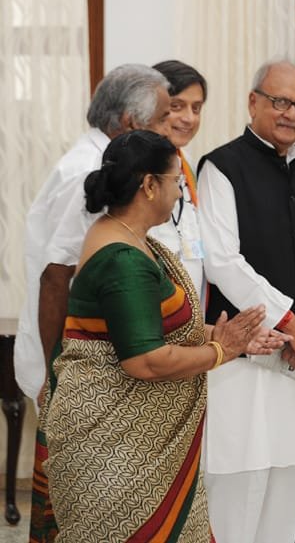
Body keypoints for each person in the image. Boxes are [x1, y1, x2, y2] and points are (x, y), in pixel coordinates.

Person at [40, 129, 281, 542]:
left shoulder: (132, 240)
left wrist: (233, 341)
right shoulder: (122, 259)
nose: (181, 192)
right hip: (116, 455)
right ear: (149, 185)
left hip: (136, 451)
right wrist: (221, 350)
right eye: (176, 182)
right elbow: (145, 360)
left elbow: (155, 328)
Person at [15, 64, 173, 543]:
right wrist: (55, 375)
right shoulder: (87, 171)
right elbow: (55, 277)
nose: (170, 128)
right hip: (70, 372)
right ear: (129, 122)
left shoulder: (108, 162)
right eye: (163, 118)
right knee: (79, 512)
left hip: (93, 367)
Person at [197, 60, 295, 543]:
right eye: (278, 102)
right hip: (246, 355)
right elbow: (222, 261)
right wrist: (290, 325)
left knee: (286, 492)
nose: (289, 114)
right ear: (253, 101)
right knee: (238, 494)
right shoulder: (221, 165)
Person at [151, 59, 208, 295]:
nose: (190, 118)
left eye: (196, 108)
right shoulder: (132, 168)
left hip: (192, 320)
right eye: (177, 106)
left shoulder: (188, 166)